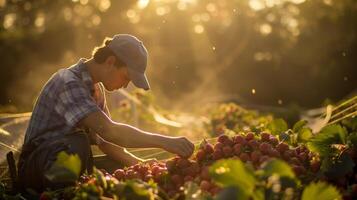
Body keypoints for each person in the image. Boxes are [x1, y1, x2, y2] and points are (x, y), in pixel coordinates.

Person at [17, 34, 195, 192]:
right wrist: (164, 142)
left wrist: (141, 166)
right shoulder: (69, 83)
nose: (126, 85)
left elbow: (107, 142)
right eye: (126, 77)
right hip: (35, 169)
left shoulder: (95, 88)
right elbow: (109, 131)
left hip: (57, 163)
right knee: (77, 143)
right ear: (110, 62)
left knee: (120, 167)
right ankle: (61, 194)